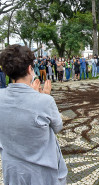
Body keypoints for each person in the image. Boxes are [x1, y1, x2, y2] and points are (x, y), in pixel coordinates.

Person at [0, 44, 68, 185]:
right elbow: (58, 127)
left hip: (12, 170)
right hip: (41, 171)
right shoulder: (44, 101)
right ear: (30, 69)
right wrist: (43, 97)